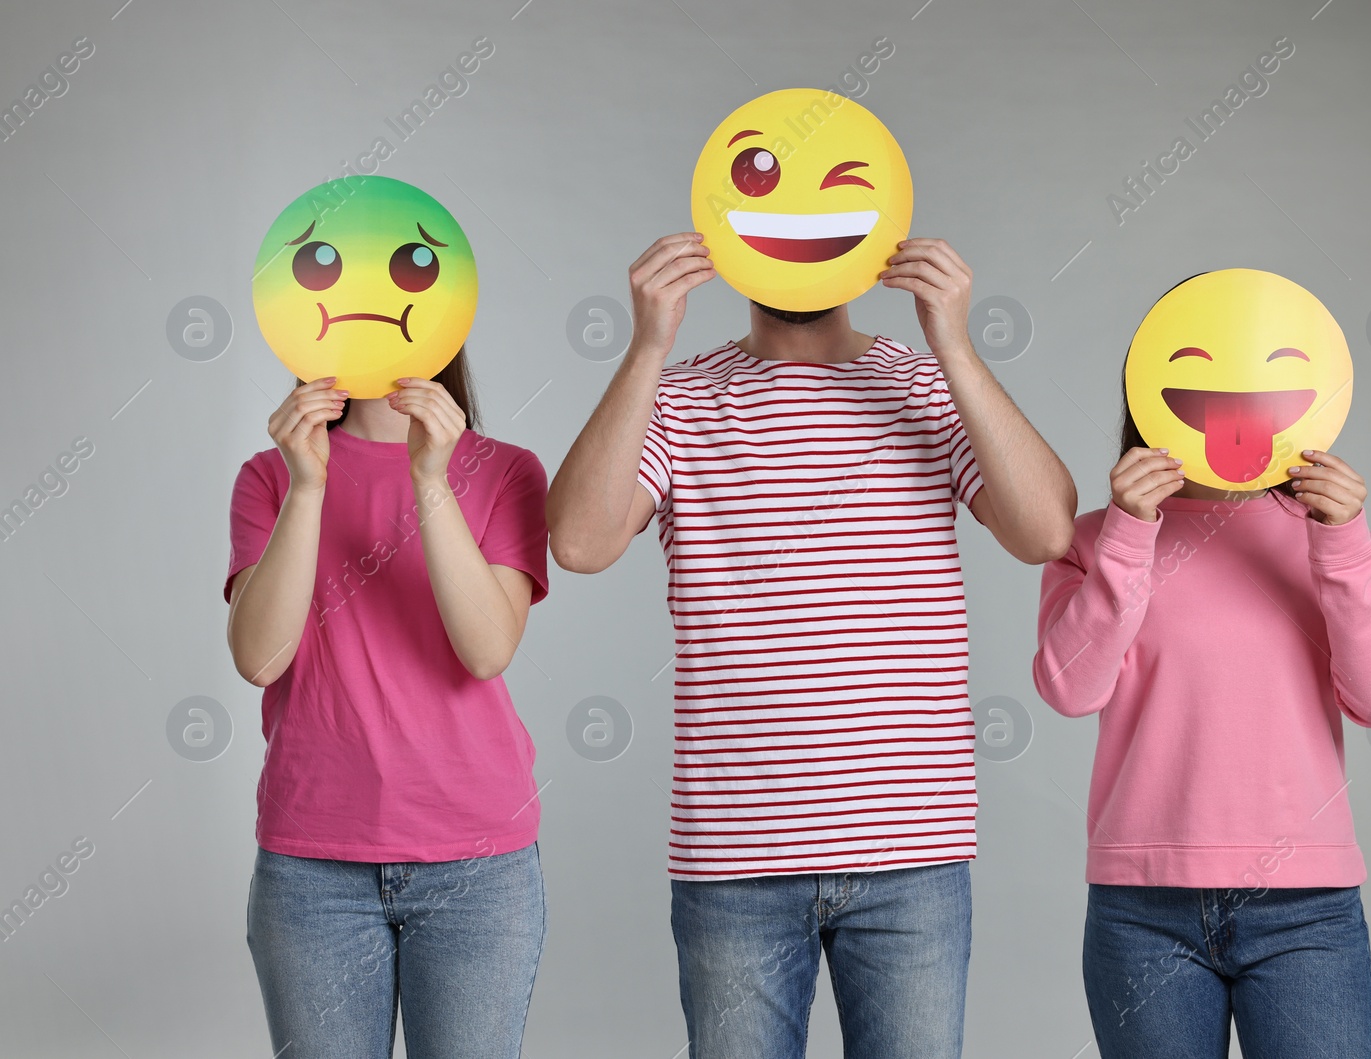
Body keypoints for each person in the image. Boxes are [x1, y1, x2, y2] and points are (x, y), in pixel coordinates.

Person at [547, 233, 1078, 1058]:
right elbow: (579, 542)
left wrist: (955, 346)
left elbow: (1045, 530)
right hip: (734, 861)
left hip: (912, 853)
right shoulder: (678, 398)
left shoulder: (928, 387)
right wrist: (648, 344)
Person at [1032, 378, 1371, 1058]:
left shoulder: (1322, 534)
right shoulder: (1095, 539)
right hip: (1142, 910)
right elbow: (1070, 687)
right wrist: (1129, 534)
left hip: (1306, 908)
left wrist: (1345, 542)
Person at [224, 352, 551, 1058]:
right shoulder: (269, 475)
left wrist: (430, 478)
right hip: (312, 866)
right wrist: (307, 487)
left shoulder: (506, 469)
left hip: (477, 864)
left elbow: (487, 648)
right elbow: (259, 657)